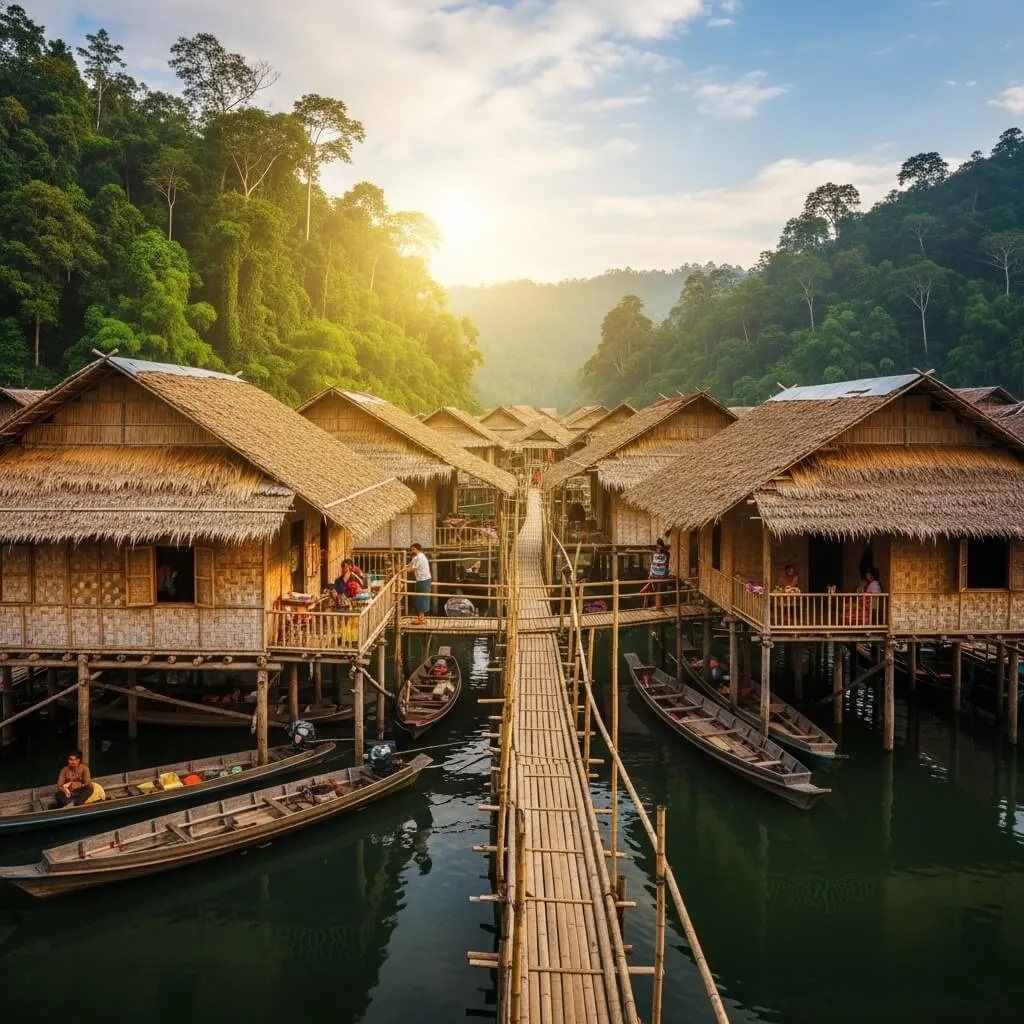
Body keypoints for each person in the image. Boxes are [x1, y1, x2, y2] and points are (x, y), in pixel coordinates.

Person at [407, 542, 432, 625]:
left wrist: (406, 570)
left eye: (413, 549)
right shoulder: (416, 557)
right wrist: (404, 567)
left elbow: (413, 568)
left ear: (417, 549)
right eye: (412, 549)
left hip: (424, 580)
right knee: (420, 598)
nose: (412, 551)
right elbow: (410, 564)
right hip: (421, 580)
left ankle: (420, 619)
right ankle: (421, 618)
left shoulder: (420, 557)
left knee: (422, 598)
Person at [647, 536, 670, 609]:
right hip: (660, 574)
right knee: (658, 589)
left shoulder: (655, 554)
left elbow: (652, 564)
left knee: (657, 589)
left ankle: (658, 606)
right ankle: (658, 605)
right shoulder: (665, 554)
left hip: (657, 574)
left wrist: (650, 574)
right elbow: (653, 564)